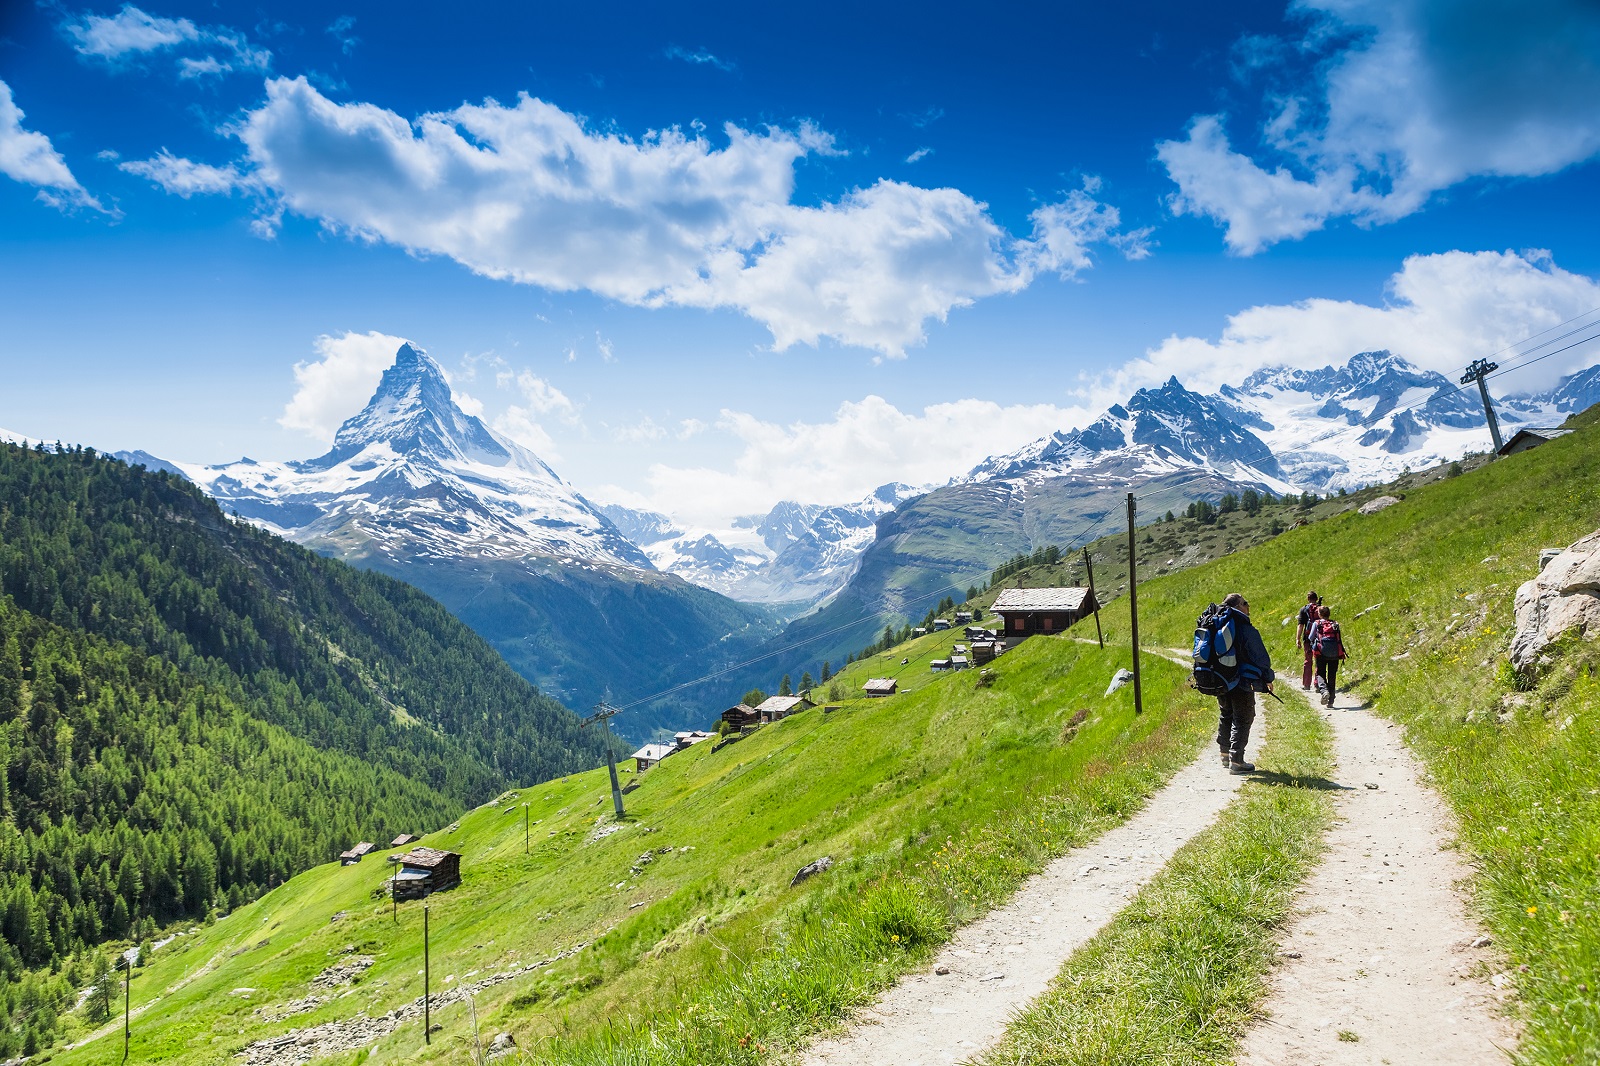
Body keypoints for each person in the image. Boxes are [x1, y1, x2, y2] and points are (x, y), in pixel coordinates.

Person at [1216, 592, 1275, 774]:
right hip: (1242, 681)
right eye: (1245, 603)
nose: (1248, 606)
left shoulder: (1219, 626)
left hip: (1221, 678)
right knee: (1243, 718)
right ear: (1237, 606)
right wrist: (1268, 678)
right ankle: (1237, 761)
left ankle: (1225, 754)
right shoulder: (1245, 628)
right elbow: (1259, 656)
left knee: (1227, 714)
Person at [1310, 604, 1347, 707]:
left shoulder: (1317, 623)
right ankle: (1331, 701)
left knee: (1321, 673)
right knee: (1332, 675)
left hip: (1321, 653)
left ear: (1319, 614)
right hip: (1335, 653)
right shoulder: (1335, 624)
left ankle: (1324, 691)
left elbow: (1311, 637)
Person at [1295, 591, 1320, 690]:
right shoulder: (1320, 609)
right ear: (1316, 598)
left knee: (1308, 660)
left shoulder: (1304, 609)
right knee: (1318, 660)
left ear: (1308, 599)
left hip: (1308, 638)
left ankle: (1306, 684)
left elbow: (1300, 625)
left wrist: (1297, 639)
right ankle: (1317, 683)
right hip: (1319, 638)